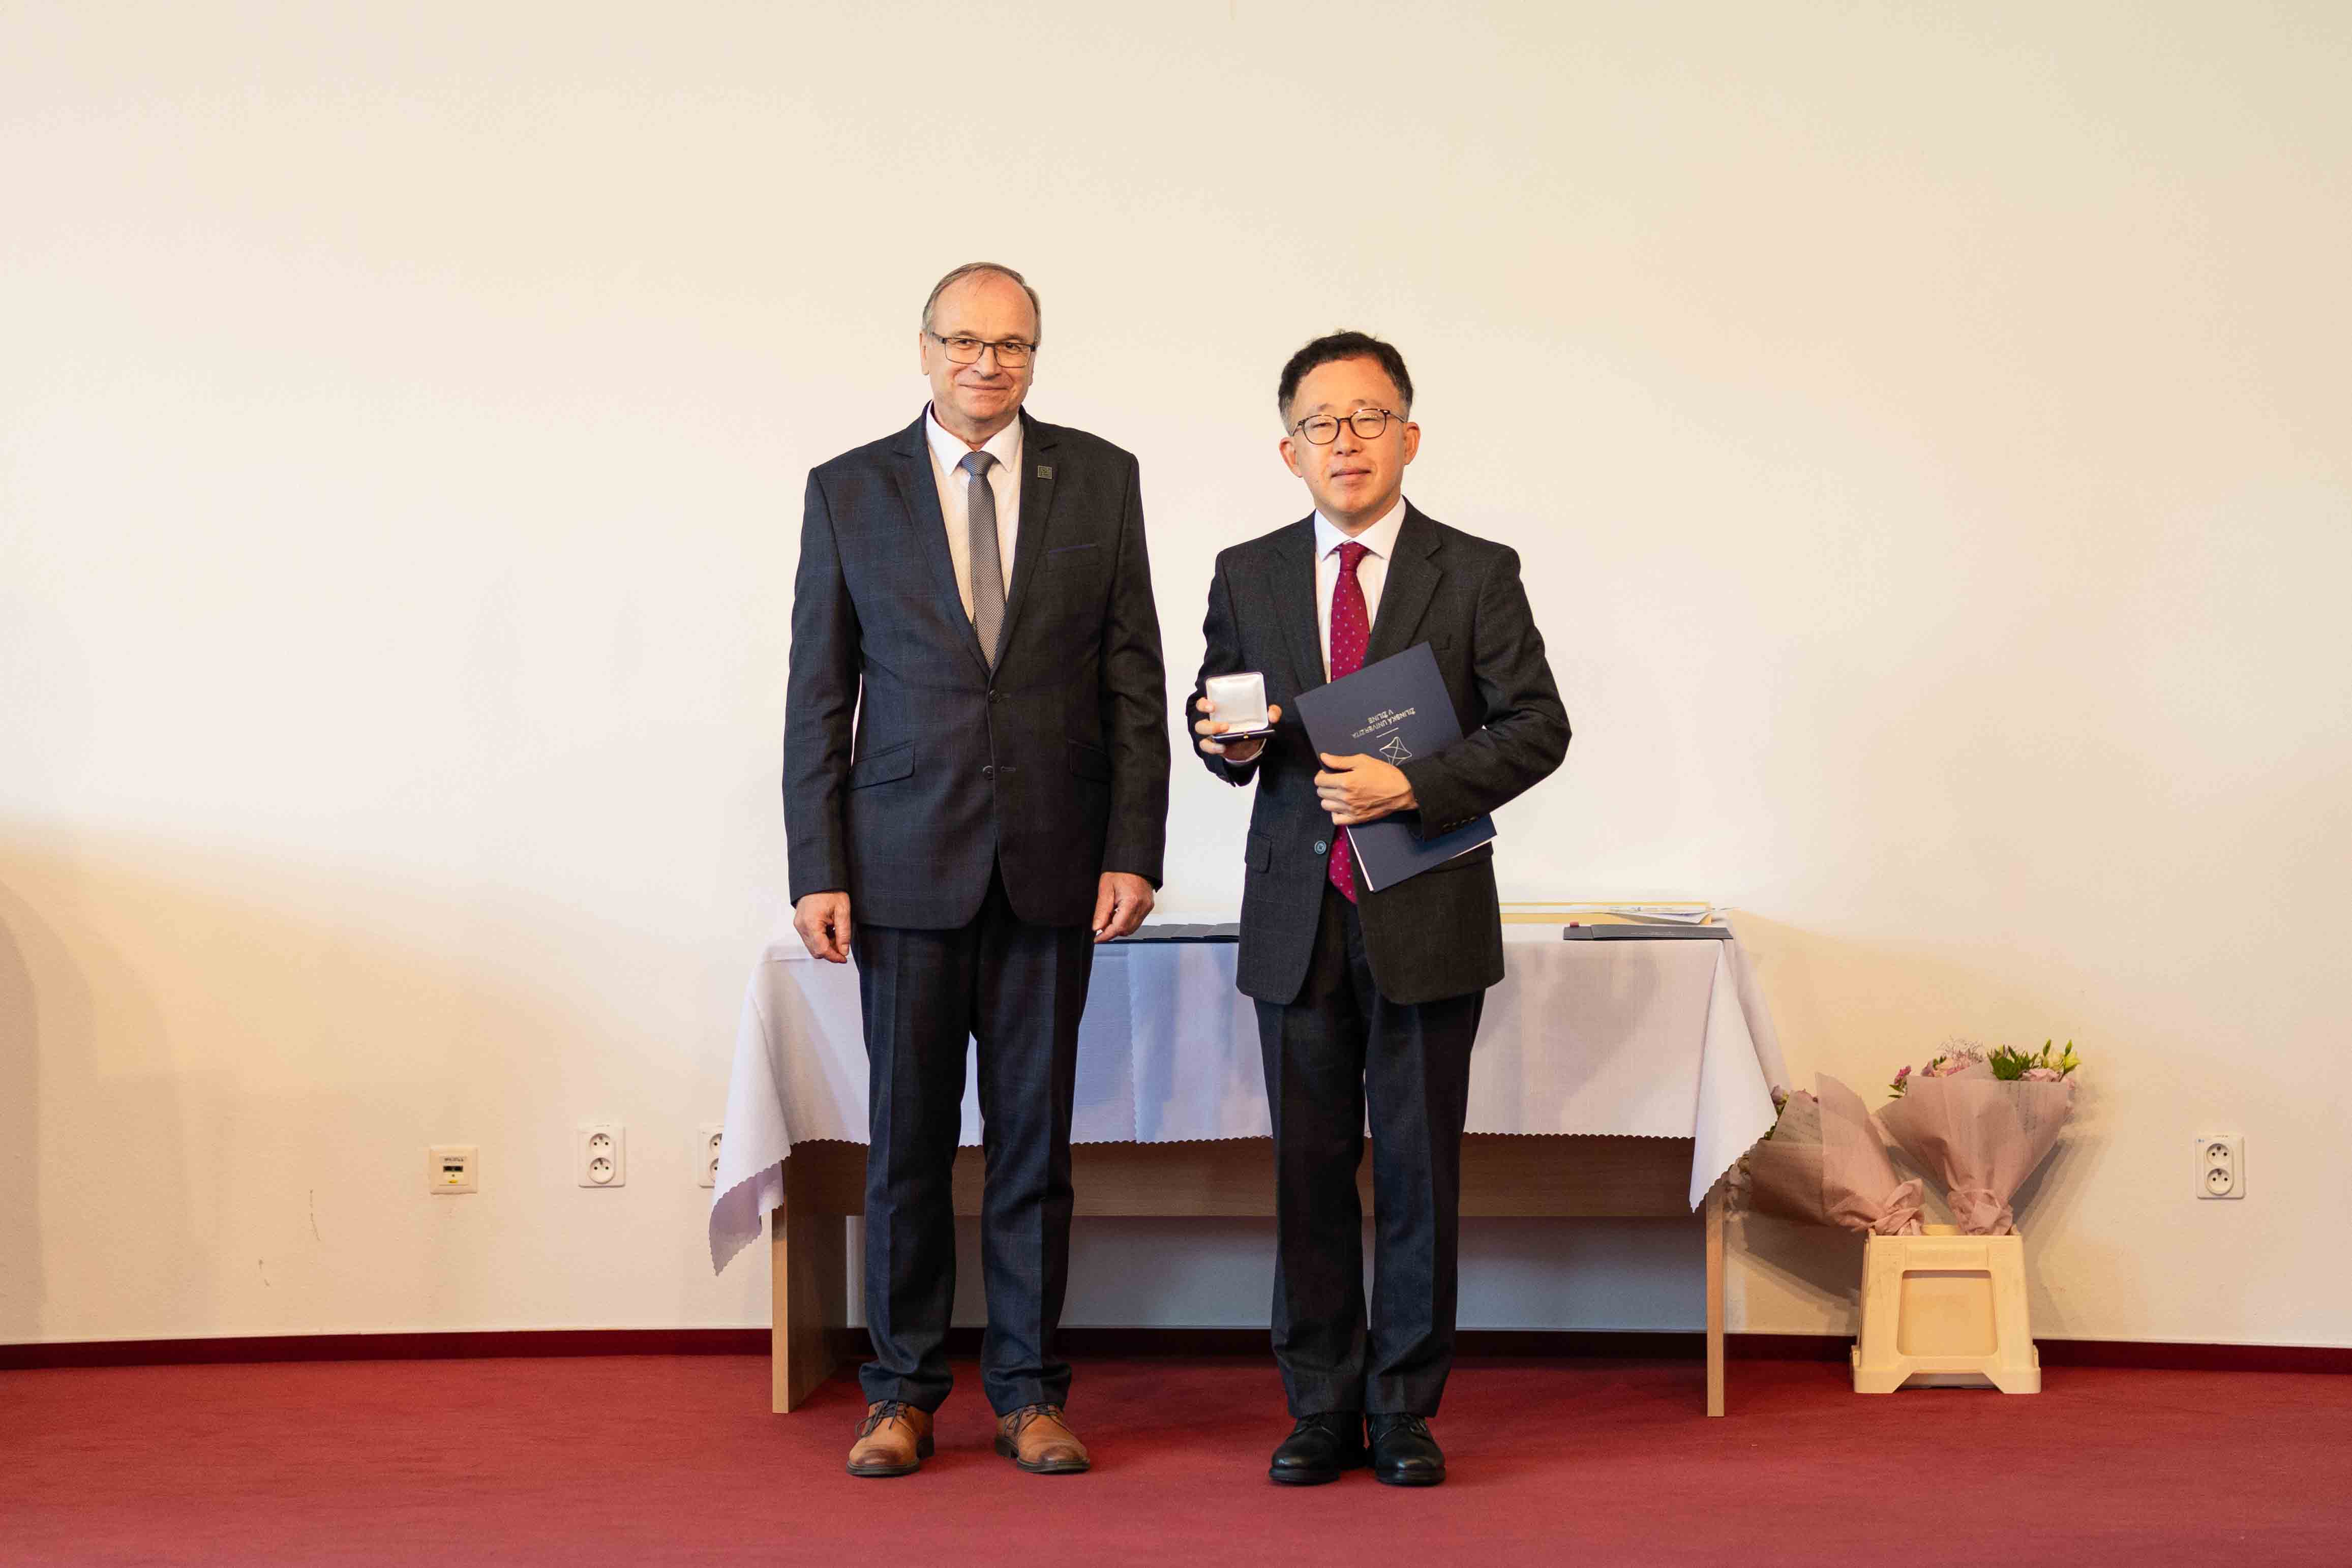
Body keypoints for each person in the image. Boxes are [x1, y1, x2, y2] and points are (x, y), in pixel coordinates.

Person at [785, 262, 1169, 1479]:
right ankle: (899, 1395)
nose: (986, 363)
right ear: (924, 349)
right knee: (904, 1148)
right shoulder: (850, 489)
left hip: (1055, 864)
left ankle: (1029, 1393)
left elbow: (1134, 679)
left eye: (1011, 344)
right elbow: (818, 693)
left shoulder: (1101, 478)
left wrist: (1134, 847)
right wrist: (817, 864)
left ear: (1035, 355)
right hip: (900, 867)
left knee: (1031, 1151)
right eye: (964, 341)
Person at [1191, 330, 1568, 1486]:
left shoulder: (1477, 570)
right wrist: (1224, 742)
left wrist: (1415, 785)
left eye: (1367, 418)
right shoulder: (1247, 572)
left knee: (1418, 1176)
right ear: (1289, 450)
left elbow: (1538, 726)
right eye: (1321, 423)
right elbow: (1221, 724)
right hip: (1298, 916)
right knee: (1306, 1176)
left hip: (1424, 908)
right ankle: (1318, 1406)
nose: (1344, 441)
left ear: (1409, 435)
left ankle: (1404, 1409)